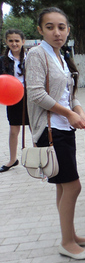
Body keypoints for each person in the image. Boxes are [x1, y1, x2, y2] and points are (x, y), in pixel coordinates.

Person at [26, 7, 85, 260]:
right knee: (73, 187)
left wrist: (78, 110)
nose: (57, 32)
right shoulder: (37, 54)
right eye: (50, 27)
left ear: (68, 30)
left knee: (63, 186)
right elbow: (35, 93)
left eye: (61, 27)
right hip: (50, 130)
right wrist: (69, 114)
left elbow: (70, 94)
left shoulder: (61, 55)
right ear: (40, 30)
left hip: (64, 128)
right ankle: (67, 242)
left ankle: (70, 234)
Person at [0, 29, 29, 172]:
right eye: (11, 40)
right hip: (12, 98)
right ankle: (13, 159)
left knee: (35, 128)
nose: (14, 43)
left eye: (17, 40)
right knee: (13, 130)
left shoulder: (30, 57)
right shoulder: (2, 60)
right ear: (6, 42)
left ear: (23, 42)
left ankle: (39, 158)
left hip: (31, 97)